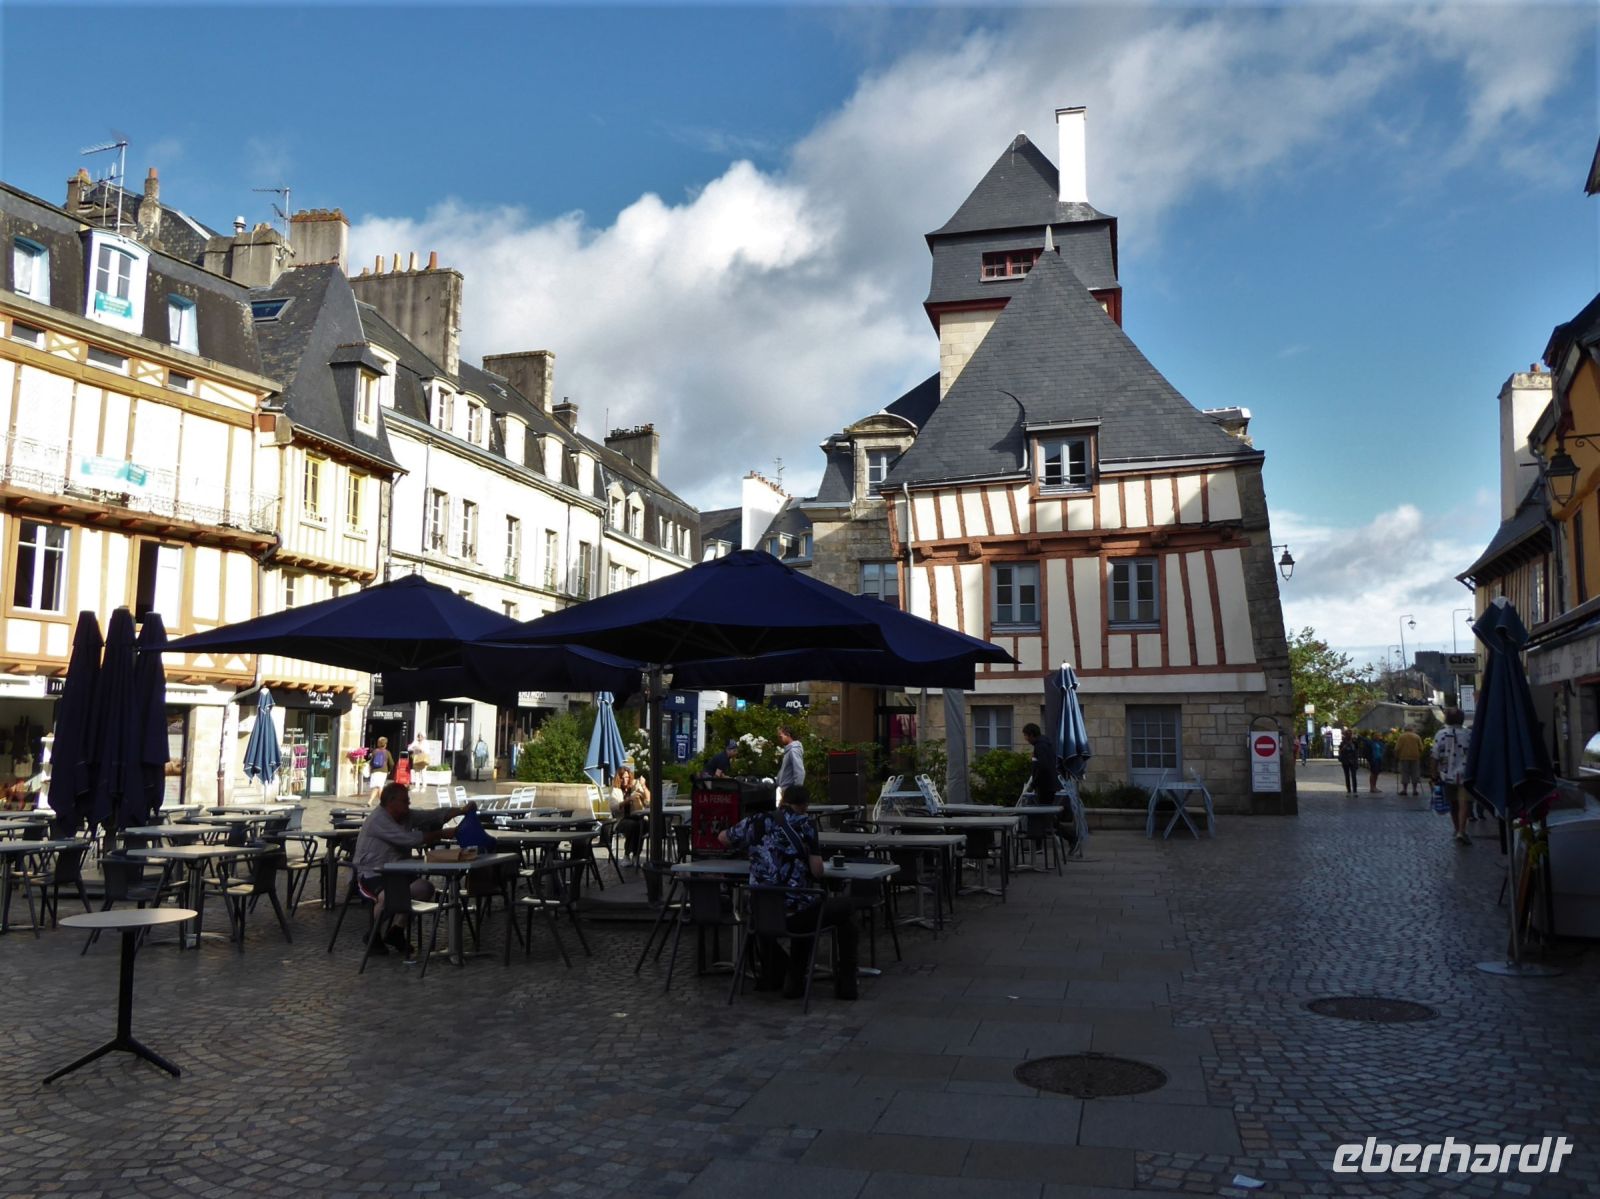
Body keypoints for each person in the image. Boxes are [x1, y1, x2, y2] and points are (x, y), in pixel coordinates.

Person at [718, 783, 857, 1000]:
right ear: (805, 805)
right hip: (794, 913)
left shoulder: (757, 820)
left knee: (806, 911)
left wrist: (753, 851)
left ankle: (790, 977)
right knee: (842, 910)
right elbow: (817, 871)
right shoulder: (806, 825)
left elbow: (723, 838)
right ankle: (844, 983)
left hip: (760, 912)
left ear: (782, 800)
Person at [352, 782, 476, 955]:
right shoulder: (379, 820)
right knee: (388, 896)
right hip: (372, 872)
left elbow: (431, 816)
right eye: (405, 801)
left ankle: (396, 930)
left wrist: (462, 810)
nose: (408, 804)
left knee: (425, 888)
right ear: (391, 802)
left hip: (400, 871)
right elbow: (407, 839)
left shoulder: (405, 815)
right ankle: (374, 934)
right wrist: (440, 834)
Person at [1432, 708, 1472, 846]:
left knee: (1453, 803)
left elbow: (1435, 755)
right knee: (1464, 802)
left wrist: (1434, 774)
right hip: (1465, 774)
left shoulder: (1441, 734)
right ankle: (1462, 830)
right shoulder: (1469, 734)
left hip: (1446, 775)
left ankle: (1457, 829)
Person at [611, 765, 651, 865]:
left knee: (643, 824)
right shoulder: (615, 791)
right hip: (622, 820)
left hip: (637, 818)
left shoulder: (634, 787)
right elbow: (614, 807)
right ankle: (628, 855)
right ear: (618, 778)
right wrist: (628, 800)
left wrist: (644, 786)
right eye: (623, 777)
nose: (625, 780)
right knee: (634, 825)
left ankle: (634, 855)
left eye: (627, 777)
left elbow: (648, 801)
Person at [1021, 723, 1058, 802]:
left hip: (1045, 786)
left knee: (1043, 809)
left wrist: (1033, 784)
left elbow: (1043, 767)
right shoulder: (1044, 744)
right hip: (1048, 785)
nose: (1025, 739)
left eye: (1026, 735)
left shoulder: (1040, 746)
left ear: (1031, 735)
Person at [775, 725, 805, 799]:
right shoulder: (789, 751)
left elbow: (799, 771)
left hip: (789, 792)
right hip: (785, 791)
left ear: (788, 735)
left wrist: (796, 792)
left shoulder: (793, 750)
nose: (779, 739)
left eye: (780, 736)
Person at [1394, 727, 1424, 797]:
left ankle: (1404, 790)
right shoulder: (1416, 736)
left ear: (1405, 730)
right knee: (1415, 773)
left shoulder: (1401, 737)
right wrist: (1419, 754)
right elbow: (1421, 748)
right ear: (1412, 730)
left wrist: (1396, 756)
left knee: (1405, 773)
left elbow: (1397, 748)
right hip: (1415, 757)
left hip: (1404, 757)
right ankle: (1414, 790)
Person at [1336, 728, 1359, 794]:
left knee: (1353, 776)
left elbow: (1357, 752)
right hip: (1345, 761)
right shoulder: (1342, 743)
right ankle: (1348, 789)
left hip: (1353, 761)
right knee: (1347, 776)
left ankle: (1355, 789)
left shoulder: (1354, 742)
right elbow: (1340, 751)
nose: (1349, 735)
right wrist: (1344, 746)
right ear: (1345, 735)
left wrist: (1356, 761)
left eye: (1350, 734)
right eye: (1347, 734)